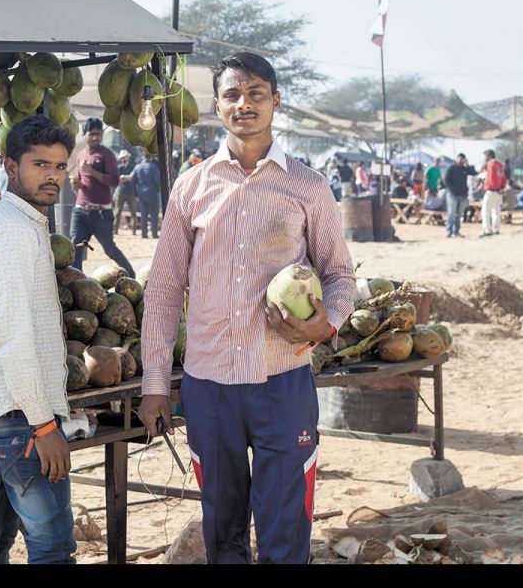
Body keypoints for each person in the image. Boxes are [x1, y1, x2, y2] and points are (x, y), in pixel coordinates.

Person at [137, 52, 356, 564]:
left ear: (275, 102)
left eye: (256, 93)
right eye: (232, 95)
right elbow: (166, 290)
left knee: (285, 527)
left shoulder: (307, 186)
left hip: (282, 380)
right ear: (217, 106)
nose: (244, 104)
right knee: (223, 526)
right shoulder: (191, 187)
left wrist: (329, 322)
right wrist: (153, 384)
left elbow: (339, 275)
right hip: (209, 386)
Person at [0, 116, 77, 564]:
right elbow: (12, 337)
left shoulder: (20, 223)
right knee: (53, 547)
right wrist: (44, 426)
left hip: (6, 410)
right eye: (39, 164)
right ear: (10, 166)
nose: (51, 175)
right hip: (21, 415)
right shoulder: (11, 231)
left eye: (60, 167)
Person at [69, 117, 134, 277]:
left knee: (110, 249)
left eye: (98, 134)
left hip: (101, 214)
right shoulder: (80, 155)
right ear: (84, 134)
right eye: (91, 134)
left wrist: (92, 171)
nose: (95, 137)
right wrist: (75, 184)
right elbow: (79, 181)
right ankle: (78, 282)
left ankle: (132, 276)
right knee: (75, 247)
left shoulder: (107, 155)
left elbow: (114, 181)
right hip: (80, 211)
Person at [444, 153, 477, 238]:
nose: (461, 161)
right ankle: (449, 231)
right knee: (451, 213)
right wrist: (452, 190)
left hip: (463, 195)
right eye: (460, 159)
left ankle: (456, 231)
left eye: (463, 159)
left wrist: (467, 164)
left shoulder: (464, 168)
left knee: (458, 215)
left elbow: (474, 173)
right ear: (457, 159)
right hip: (452, 195)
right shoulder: (451, 168)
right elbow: (446, 180)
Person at [132, 153, 161, 239]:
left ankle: (144, 234)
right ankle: (154, 234)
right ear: (151, 157)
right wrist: (158, 190)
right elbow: (157, 180)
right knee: (153, 214)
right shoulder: (153, 167)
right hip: (152, 192)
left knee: (143, 214)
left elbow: (133, 181)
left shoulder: (137, 167)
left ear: (143, 157)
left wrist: (135, 194)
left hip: (141, 194)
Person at [480, 149, 507, 238]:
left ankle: (487, 230)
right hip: (499, 192)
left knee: (485, 211)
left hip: (492, 190)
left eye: (485, 156)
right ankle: (496, 229)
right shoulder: (500, 164)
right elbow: (503, 178)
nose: (485, 158)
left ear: (489, 156)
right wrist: (502, 188)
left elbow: (492, 178)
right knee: (496, 211)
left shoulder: (490, 164)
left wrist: (496, 188)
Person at [113, 150, 138, 235]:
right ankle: (115, 230)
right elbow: (118, 179)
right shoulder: (119, 168)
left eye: (125, 157)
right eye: (122, 157)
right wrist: (128, 177)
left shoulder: (132, 167)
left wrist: (124, 177)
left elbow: (132, 177)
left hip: (130, 192)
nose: (124, 158)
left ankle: (134, 231)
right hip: (121, 192)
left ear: (128, 157)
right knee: (117, 212)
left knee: (133, 212)